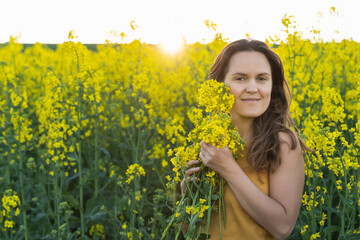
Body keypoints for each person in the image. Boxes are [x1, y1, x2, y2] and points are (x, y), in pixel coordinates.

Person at [180, 39, 311, 239]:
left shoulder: (283, 143)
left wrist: (228, 168)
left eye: (262, 78)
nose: (252, 88)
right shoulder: (208, 141)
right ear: (219, 86)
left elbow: (283, 228)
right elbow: (190, 231)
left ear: (272, 85)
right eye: (240, 78)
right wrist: (187, 197)